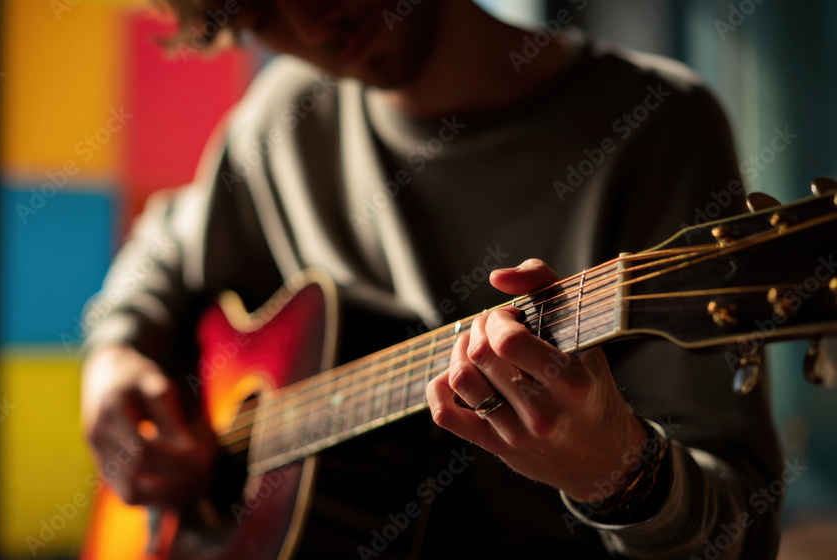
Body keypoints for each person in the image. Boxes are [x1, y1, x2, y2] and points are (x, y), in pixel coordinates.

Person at [79, 1, 783, 557]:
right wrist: (115, 354)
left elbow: (738, 535)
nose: (308, 21)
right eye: (257, 11)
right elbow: (163, 244)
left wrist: (618, 474)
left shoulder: (656, 128)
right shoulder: (281, 117)